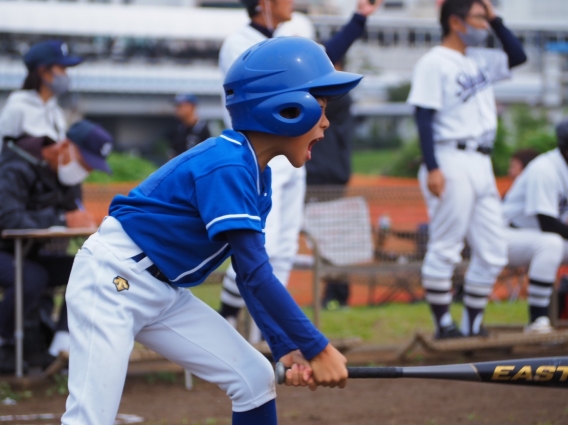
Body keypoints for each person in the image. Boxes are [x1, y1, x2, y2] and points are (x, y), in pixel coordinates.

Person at [60, 37, 362, 425]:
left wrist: (287, 347)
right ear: (287, 109)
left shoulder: (257, 176)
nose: (325, 122)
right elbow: (256, 273)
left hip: (163, 290)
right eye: (319, 108)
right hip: (113, 282)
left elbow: (249, 277)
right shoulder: (228, 165)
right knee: (91, 419)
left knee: (254, 378)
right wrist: (317, 347)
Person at [217, 0, 382, 340]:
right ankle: (228, 318)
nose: (293, 2)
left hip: (292, 155)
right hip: (260, 153)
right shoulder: (239, 43)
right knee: (261, 246)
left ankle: (267, 333)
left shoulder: (291, 33)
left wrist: (359, 18)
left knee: (286, 248)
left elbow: (323, 63)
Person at [407, 0, 527, 338]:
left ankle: (471, 324)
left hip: (481, 162)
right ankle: (443, 324)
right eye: (478, 17)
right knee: (446, 244)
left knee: (493, 249)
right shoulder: (434, 61)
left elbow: (518, 56)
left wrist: (495, 16)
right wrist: (432, 167)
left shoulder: (479, 59)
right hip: (450, 158)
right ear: (457, 23)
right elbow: (423, 115)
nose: (484, 24)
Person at [0, 120, 113, 374]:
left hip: (34, 253)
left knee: (88, 267)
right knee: (32, 277)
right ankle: (4, 342)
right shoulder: (14, 165)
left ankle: (60, 349)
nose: (84, 171)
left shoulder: (67, 179)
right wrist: (61, 220)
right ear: (64, 146)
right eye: (84, 163)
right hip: (8, 252)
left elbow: (75, 213)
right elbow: (7, 218)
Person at [503, 120, 568, 333]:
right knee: (551, 243)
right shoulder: (545, 169)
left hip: (538, 237)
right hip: (506, 235)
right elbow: (547, 223)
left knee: (552, 243)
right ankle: (537, 319)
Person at [305, 60, 356, 310]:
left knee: (332, 239)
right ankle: (334, 292)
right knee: (323, 238)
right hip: (322, 174)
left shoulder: (338, 97)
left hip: (328, 176)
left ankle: (337, 294)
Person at [0, 40, 83, 154]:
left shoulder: (55, 111)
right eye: (62, 69)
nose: (66, 75)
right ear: (44, 71)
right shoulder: (17, 109)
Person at [168, 93, 211, 158]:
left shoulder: (202, 128)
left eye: (180, 106)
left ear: (191, 107)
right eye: (176, 106)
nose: (177, 109)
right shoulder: (177, 129)